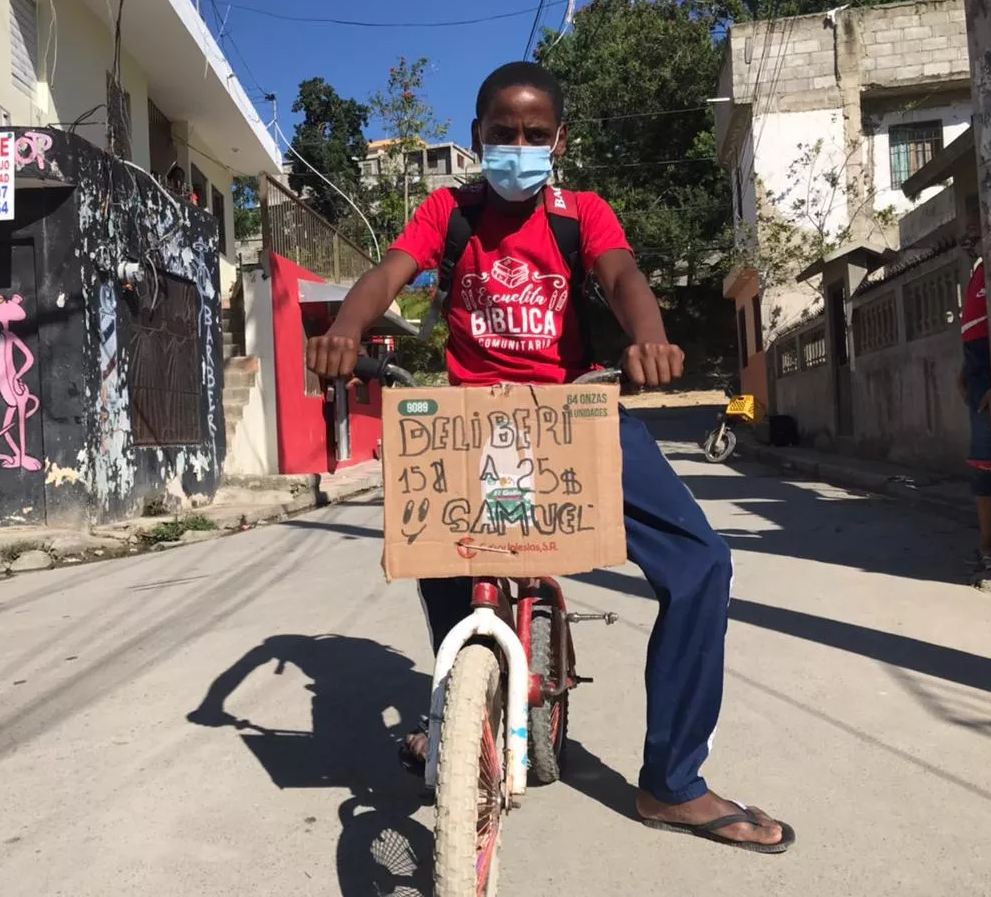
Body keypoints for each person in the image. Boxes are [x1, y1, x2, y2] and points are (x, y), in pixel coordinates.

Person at [305, 61, 793, 853]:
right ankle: (456, 706)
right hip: (475, 422)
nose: (519, 147)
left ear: (559, 141)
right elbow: (387, 273)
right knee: (439, 542)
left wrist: (651, 336)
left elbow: (623, 274)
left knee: (701, 565)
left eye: (536, 135)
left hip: (573, 414)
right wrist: (346, 331)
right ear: (476, 140)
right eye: (503, 134)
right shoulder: (448, 210)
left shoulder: (582, 213)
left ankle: (673, 783)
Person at [958, 221, 991, 572]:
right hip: (977, 379)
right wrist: (963, 374)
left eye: (976, 232)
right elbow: (975, 331)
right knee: (983, 462)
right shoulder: (979, 273)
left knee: (989, 462)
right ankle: (990, 546)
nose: (969, 237)